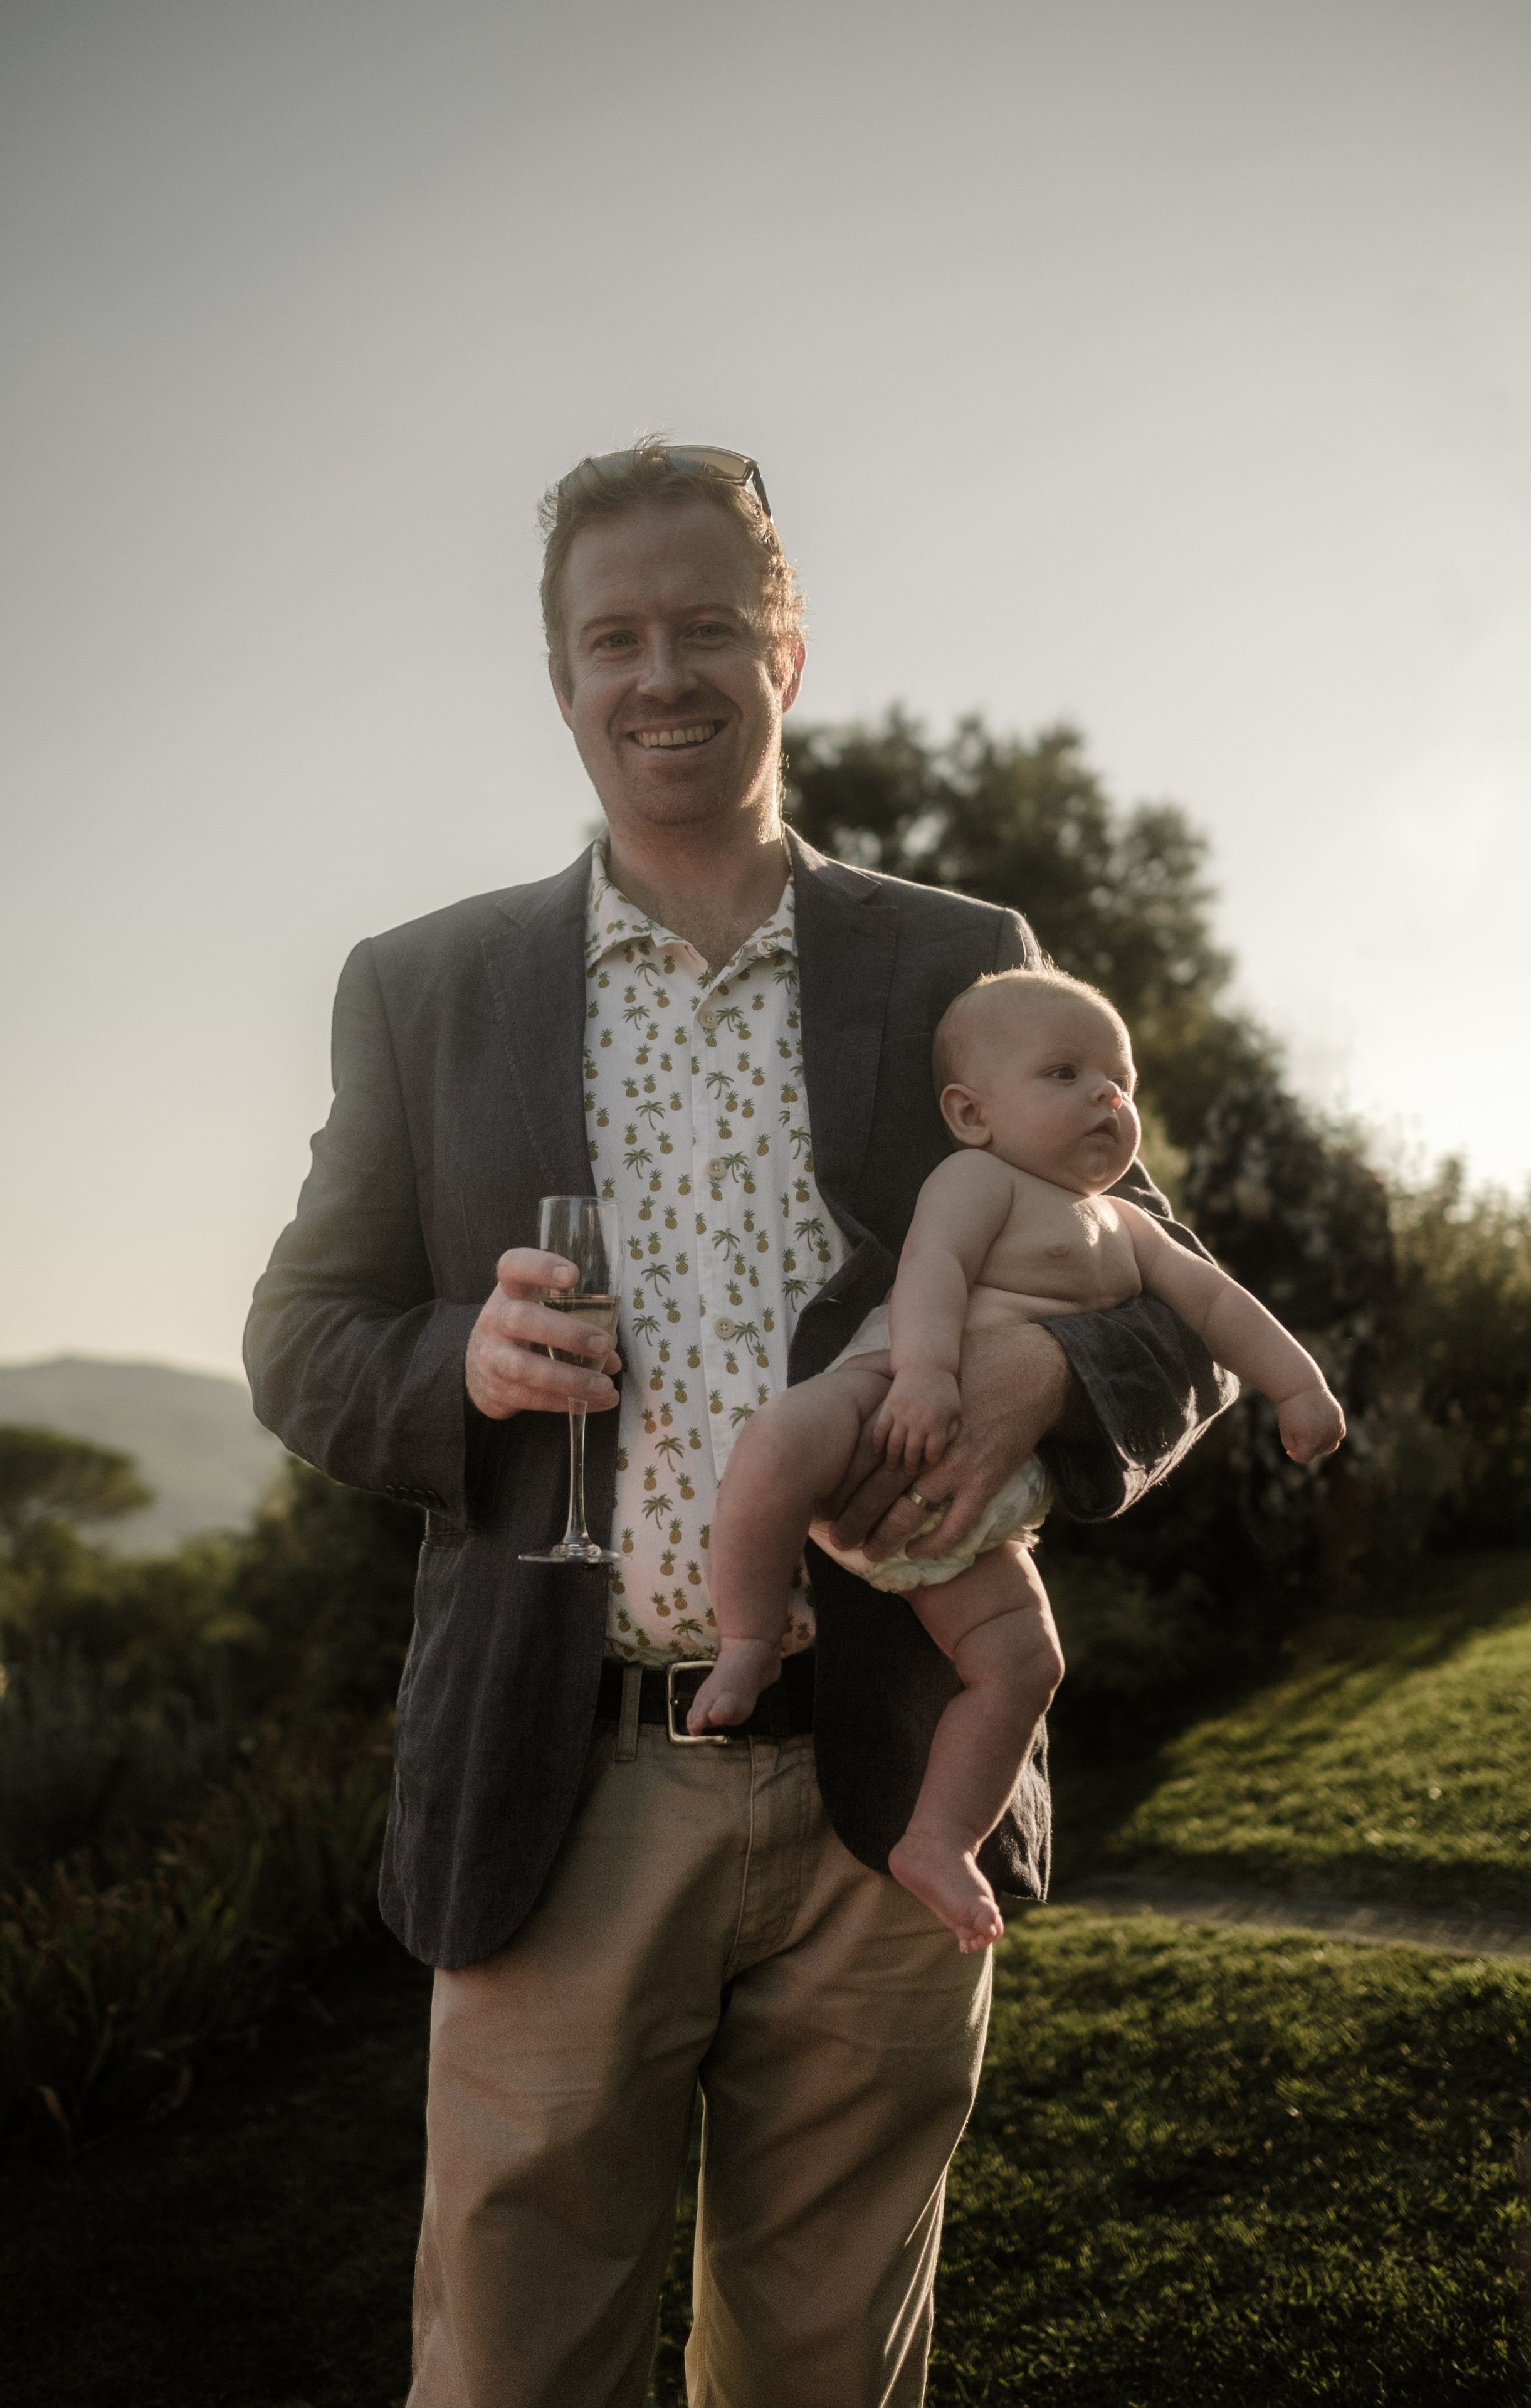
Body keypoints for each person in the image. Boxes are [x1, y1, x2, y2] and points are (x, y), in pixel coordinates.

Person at [244, 439, 1238, 2408]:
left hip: (895, 1787)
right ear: (562, 677)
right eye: (615, 635)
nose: (662, 672)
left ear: (788, 647)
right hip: (562, 1780)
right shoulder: (425, 990)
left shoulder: (962, 957)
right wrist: (453, 1358)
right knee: (517, 2375)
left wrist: (1045, 1381)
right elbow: (301, 1338)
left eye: (708, 625)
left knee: (826, 2379)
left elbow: (1170, 1287)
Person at [692, 964, 1346, 1951]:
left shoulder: (1129, 1225)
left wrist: (1298, 1385)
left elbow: (1216, 1308)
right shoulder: (979, 1180)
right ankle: (744, 1638)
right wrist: (921, 1376)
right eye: (1066, 1074)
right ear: (971, 1113)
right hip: (892, 1399)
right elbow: (932, 1269)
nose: (1105, 1097)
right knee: (778, 1437)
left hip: (976, 1520)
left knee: (1024, 1662)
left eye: (1119, 1082)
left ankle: (942, 1839)